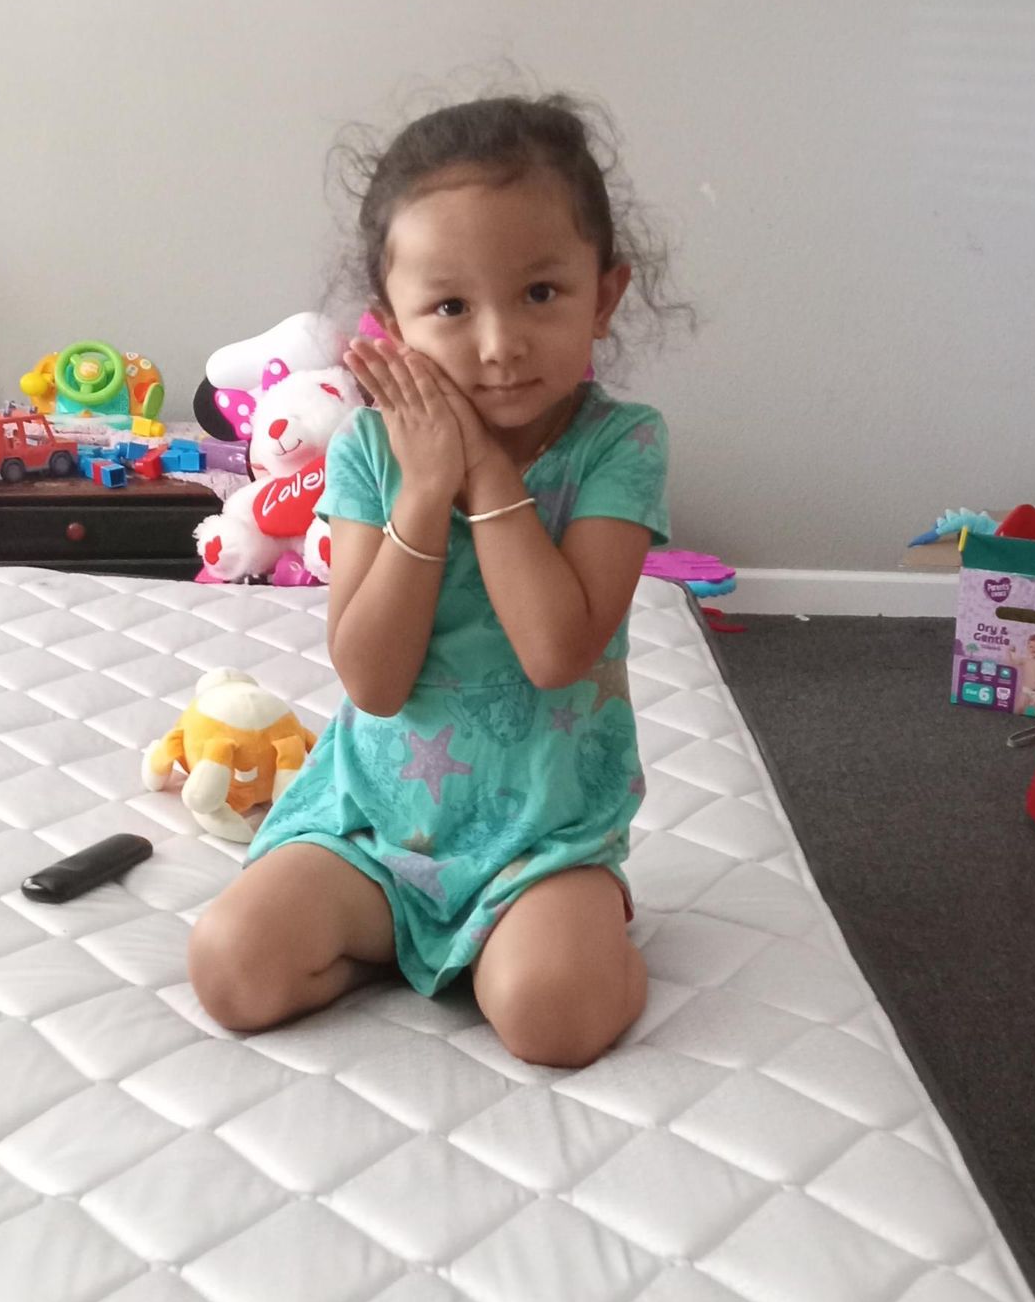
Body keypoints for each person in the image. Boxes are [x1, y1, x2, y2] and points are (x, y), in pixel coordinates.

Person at [189, 92, 676, 1069]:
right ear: (392, 327)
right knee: (230, 969)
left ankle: (553, 936)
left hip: (541, 836)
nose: (498, 344)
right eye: (451, 307)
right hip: (374, 825)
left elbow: (556, 652)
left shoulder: (621, 445)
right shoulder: (372, 446)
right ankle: (405, 938)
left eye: (540, 294)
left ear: (606, 295)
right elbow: (371, 680)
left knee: (553, 1016)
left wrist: (488, 476)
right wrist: (425, 491)